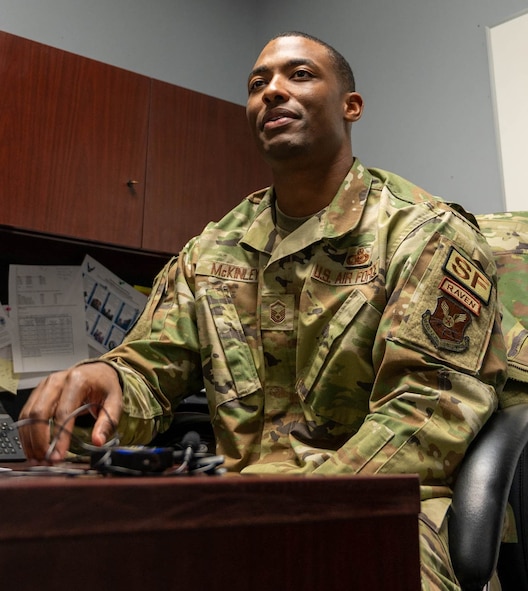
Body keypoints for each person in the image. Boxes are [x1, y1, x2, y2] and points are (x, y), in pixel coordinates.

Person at [19, 32, 508, 590]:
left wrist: (286, 509)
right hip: (237, 503)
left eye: (299, 75)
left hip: (385, 504)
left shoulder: (424, 233)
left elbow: (427, 411)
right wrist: (106, 378)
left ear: (351, 107)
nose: (272, 91)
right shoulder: (211, 250)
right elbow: (150, 368)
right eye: (257, 84)